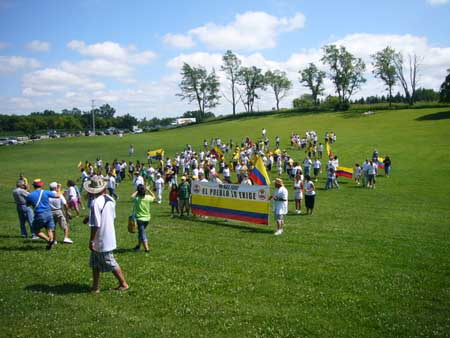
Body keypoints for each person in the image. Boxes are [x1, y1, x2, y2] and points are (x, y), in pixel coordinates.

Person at [85, 177, 129, 293]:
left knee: (110, 262)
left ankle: (123, 284)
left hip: (101, 238)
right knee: (95, 263)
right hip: (109, 234)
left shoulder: (95, 203)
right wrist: (88, 217)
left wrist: (91, 241)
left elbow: (96, 224)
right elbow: (110, 216)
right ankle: (95, 286)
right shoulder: (110, 199)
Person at [26, 179, 61, 250]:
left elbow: (27, 204)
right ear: (41, 185)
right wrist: (59, 189)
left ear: (34, 186)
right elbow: (58, 195)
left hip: (40, 214)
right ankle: (50, 245)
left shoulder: (30, 195)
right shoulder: (45, 192)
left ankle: (49, 240)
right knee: (49, 230)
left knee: (36, 230)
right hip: (49, 213)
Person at [131, 184, 155, 252]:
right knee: (141, 232)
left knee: (142, 233)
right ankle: (138, 246)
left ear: (138, 191)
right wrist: (148, 189)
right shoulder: (148, 197)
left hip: (139, 219)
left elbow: (132, 196)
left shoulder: (137, 199)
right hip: (147, 219)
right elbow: (154, 197)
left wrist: (137, 191)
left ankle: (147, 249)